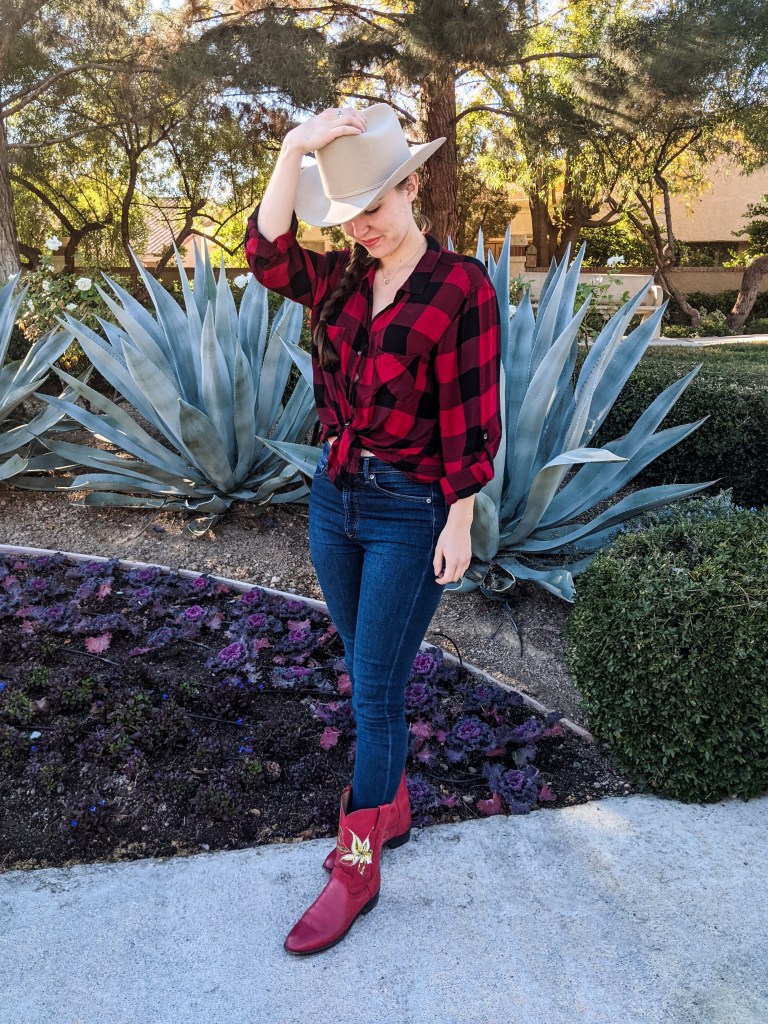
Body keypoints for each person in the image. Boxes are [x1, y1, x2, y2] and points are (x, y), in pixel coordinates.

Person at [244, 101, 503, 956]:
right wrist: (293, 147)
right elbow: (267, 256)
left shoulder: (460, 285)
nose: (365, 227)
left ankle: (358, 865)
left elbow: (473, 416)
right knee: (366, 671)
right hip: (334, 499)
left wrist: (459, 516)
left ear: (414, 184)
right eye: (350, 214)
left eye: (379, 206)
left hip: (409, 511)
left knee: (377, 695)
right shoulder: (345, 276)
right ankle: (388, 807)